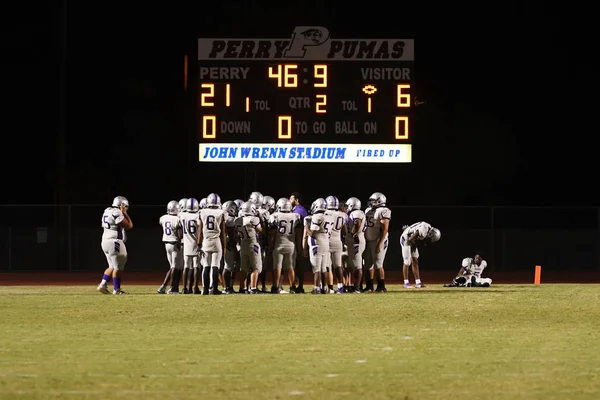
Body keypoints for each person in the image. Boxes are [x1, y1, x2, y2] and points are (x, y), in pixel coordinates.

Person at [97, 196, 133, 295]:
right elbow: (129, 225)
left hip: (105, 241)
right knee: (118, 267)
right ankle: (116, 290)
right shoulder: (117, 212)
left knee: (112, 266)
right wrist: (125, 213)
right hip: (114, 241)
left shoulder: (107, 211)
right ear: (122, 205)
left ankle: (103, 285)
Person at [268, 198, 302, 294]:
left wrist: (270, 246)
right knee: (291, 267)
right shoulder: (295, 216)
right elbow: (299, 234)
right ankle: (292, 287)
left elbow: (272, 234)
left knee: (277, 267)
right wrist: (299, 247)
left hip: (279, 244)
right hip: (291, 245)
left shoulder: (275, 216)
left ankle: (275, 287)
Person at [198, 193, 227, 295]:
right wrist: (224, 246)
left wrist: (198, 244)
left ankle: (205, 289)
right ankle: (214, 289)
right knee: (215, 266)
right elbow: (223, 232)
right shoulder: (221, 212)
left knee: (206, 266)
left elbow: (200, 230)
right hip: (216, 241)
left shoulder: (202, 212)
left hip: (206, 241)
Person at [363, 192, 391, 292]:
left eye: (373, 201)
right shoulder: (368, 210)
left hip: (378, 240)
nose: (371, 203)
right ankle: (369, 286)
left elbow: (385, 228)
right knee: (367, 264)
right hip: (368, 240)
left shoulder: (384, 211)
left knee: (378, 264)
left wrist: (380, 243)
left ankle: (381, 286)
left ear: (379, 201)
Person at [399, 222, 441, 288]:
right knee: (407, 261)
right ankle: (406, 283)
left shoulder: (427, 227)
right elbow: (411, 239)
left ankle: (418, 283)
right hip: (406, 239)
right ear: (431, 234)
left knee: (415, 260)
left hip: (411, 239)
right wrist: (414, 247)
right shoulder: (424, 230)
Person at [235, 202, 263, 294]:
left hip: (243, 245)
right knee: (256, 268)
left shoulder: (238, 220)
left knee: (244, 269)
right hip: (253, 244)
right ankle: (253, 288)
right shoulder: (254, 219)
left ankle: (242, 288)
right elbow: (260, 230)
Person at [158, 200, 182, 294]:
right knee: (174, 267)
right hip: (174, 243)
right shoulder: (177, 219)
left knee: (172, 267)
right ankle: (171, 288)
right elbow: (179, 235)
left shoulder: (163, 218)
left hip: (166, 243)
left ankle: (163, 286)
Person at [325, 196, 348, 294]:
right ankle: (340, 287)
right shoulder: (342, 215)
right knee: (338, 265)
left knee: (327, 266)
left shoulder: (325, 213)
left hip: (326, 241)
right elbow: (345, 231)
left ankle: (329, 288)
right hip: (338, 241)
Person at [344, 197, 366, 293]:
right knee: (354, 265)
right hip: (356, 241)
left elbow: (357, 223)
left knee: (358, 266)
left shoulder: (356, 213)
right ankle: (356, 286)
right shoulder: (356, 212)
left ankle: (357, 287)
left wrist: (353, 233)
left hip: (356, 241)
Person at [179, 198, 201, 294]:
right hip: (195, 243)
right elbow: (200, 230)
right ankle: (195, 287)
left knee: (186, 266)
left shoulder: (182, 216)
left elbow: (179, 230)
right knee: (196, 266)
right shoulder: (197, 216)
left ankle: (185, 288)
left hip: (186, 243)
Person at [290, 192, 308, 293]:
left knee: (299, 263)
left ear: (296, 200)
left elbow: (303, 227)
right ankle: (296, 285)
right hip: (294, 240)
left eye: (291, 199)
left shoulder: (300, 210)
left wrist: (302, 244)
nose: (289, 201)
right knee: (294, 264)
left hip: (298, 240)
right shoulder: (296, 210)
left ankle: (300, 286)